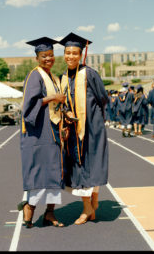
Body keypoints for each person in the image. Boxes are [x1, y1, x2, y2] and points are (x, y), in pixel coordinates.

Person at [58, 32, 109, 225]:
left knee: (90, 166)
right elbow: (63, 102)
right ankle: (91, 206)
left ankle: (88, 208)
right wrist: (67, 113)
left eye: (74, 53)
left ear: (81, 55)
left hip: (92, 130)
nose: (70, 56)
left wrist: (94, 121)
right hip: (73, 131)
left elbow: (103, 98)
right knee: (80, 167)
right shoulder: (64, 77)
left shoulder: (90, 74)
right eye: (67, 52)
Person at [18, 36, 66, 228]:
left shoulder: (53, 77)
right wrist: (53, 97)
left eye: (51, 55)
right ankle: (29, 208)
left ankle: (50, 213)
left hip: (52, 130)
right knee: (38, 171)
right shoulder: (34, 76)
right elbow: (29, 105)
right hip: (37, 131)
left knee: (54, 171)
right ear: (37, 57)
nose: (48, 59)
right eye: (44, 56)